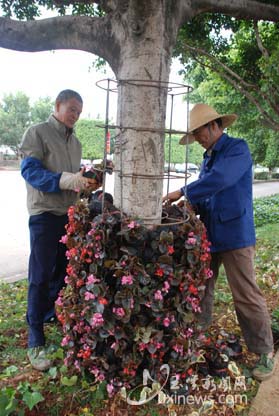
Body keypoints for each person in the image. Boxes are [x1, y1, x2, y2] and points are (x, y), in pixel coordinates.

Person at [162, 103, 274, 381]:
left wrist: (182, 191)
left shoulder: (238, 149)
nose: (198, 138)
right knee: (202, 290)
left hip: (235, 236)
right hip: (210, 236)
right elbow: (206, 192)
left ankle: (264, 352)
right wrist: (186, 207)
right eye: (194, 134)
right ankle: (196, 340)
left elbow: (220, 180)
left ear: (214, 126)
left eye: (199, 132)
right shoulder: (208, 157)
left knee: (246, 295)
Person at [19, 89, 99, 371]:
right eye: (72, 109)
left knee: (63, 273)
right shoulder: (37, 132)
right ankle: (35, 336)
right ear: (58, 105)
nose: (75, 115)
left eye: (79, 111)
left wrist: (88, 181)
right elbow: (31, 172)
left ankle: (50, 314)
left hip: (69, 216)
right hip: (44, 215)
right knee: (39, 276)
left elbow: (75, 180)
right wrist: (69, 180)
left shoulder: (75, 142)